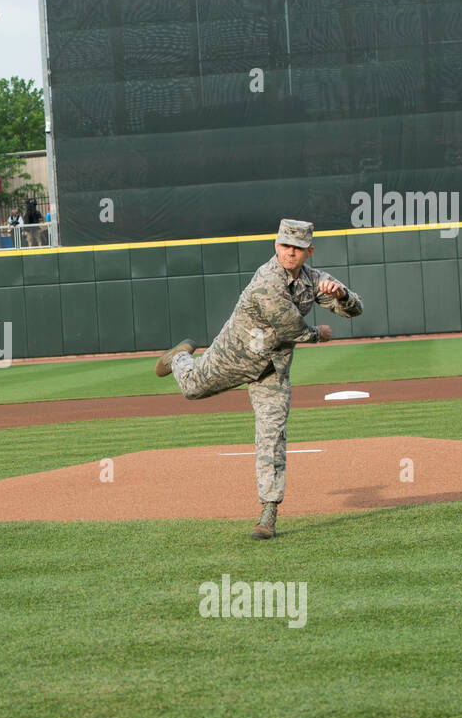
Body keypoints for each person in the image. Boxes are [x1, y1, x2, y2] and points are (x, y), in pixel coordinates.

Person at [154, 219, 363, 540]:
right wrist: (317, 335)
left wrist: (342, 294)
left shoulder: (313, 281)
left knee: (272, 434)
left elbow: (354, 310)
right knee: (192, 389)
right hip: (234, 354)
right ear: (275, 246)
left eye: (296, 247)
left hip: (273, 367)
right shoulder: (266, 279)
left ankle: (268, 513)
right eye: (284, 245)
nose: (289, 253)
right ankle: (180, 358)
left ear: (310, 251)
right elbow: (288, 326)